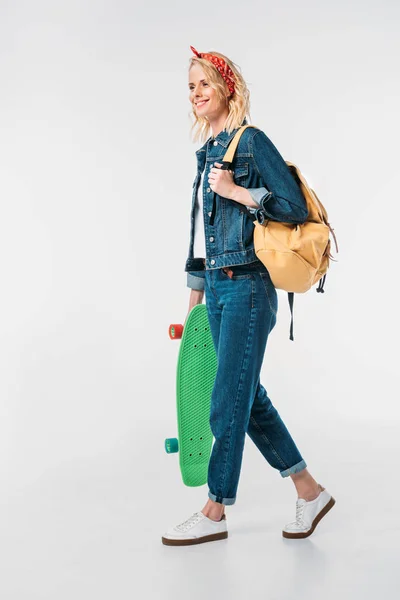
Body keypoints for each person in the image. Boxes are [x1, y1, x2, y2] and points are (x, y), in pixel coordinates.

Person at [161, 47, 335, 546]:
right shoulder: (206, 153)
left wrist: (240, 193)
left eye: (203, 86)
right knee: (245, 395)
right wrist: (194, 298)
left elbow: (294, 206)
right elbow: (202, 234)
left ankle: (214, 510)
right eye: (190, 87)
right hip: (217, 287)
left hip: (248, 290)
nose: (195, 95)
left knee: (225, 403)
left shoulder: (250, 143)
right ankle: (309, 490)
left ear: (226, 89)